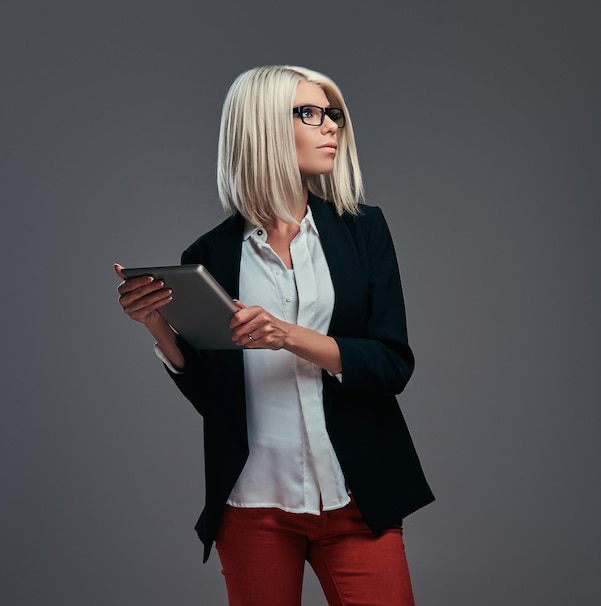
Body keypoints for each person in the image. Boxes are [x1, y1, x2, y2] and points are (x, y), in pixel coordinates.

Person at [115, 65, 434, 606]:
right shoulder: (209, 257)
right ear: (261, 127)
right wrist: (157, 327)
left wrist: (288, 336)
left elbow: (391, 366)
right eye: (308, 113)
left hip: (358, 496)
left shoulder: (364, 230)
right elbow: (215, 399)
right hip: (253, 506)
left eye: (331, 113)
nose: (330, 125)